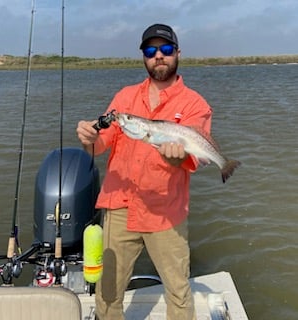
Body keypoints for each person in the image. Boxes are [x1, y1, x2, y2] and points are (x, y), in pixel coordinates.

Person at [76, 23, 212, 320]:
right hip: (119, 205)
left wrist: (178, 157)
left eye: (165, 49)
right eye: (151, 51)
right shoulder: (123, 98)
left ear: (177, 53)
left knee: (177, 290)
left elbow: (192, 160)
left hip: (165, 211)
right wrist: (88, 138)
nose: (158, 56)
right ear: (143, 57)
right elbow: (100, 145)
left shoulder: (194, 104)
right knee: (108, 291)